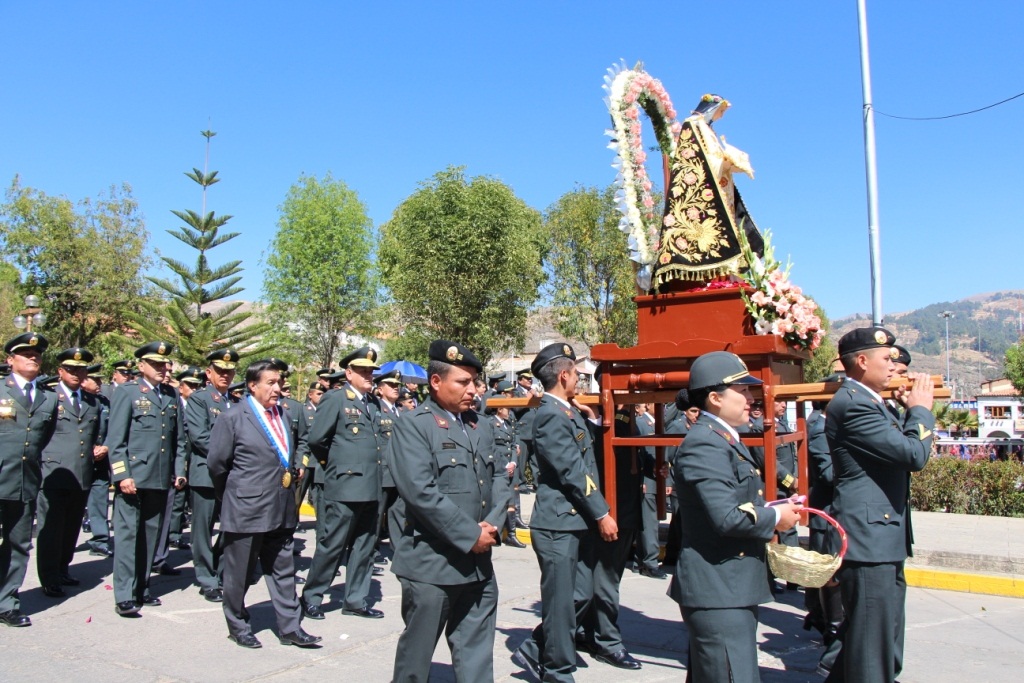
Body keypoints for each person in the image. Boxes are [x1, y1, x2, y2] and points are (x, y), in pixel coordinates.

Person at [669, 351, 802, 682]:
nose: (750, 398)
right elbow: (727, 517)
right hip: (718, 590)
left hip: (729, 588)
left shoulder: (722, 439)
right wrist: (775, 519)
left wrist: (777, 509)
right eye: (741, 391)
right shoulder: (706, 444)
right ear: (714, 398)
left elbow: (735, 503)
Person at [386, 340, 508, 682]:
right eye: (463, 382)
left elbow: (500, 476)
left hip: (479, 564)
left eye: (474, 381)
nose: (473, 389)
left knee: (477, 658)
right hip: (431, 565)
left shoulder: (479, 424)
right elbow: (419, 492)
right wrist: (471, 535)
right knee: (417, 658)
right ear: (436, 382)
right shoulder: (414, 425)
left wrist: (494, 525)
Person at [824, 328, 934, 683]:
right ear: (861, 361)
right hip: (870, 542)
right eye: (886, 359)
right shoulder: (855, 404)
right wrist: (921, 412)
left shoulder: (870, 401)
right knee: (872, 649)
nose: (893, 366)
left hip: (880, 538)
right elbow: (913, 455)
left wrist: (908, 412)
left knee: (874, 640)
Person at [513, 343, 619, 682]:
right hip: (558, 523)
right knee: (561, 602)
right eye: (577, 374)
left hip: (575, 522)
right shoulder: (549, 416)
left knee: (581, 594)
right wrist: (602, 513)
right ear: (563, 375)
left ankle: (535, 646)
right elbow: (573, 472)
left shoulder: (568, 412)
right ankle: (557, 670)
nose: (581, 381)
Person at [207, 359, 321, 649]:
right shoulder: (232, 418)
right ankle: (237, 624)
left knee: (283, 569)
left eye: (279, 382)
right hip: (246, 506)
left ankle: (290, 627)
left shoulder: (281, 415)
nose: (277, 388)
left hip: (280, 505)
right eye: (270, 382)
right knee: (239, 572)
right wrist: (233, 497)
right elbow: (218, 465)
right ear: (252, 385)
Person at [104, 341, 188, 616]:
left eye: (165, 364)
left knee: (150, 536)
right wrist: (122, 475)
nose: (163, 369)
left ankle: (142, 587)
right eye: (156, 364)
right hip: (134, 478)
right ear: (141, 366)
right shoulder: (128, 393)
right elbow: (116, 441)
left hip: (160, 477)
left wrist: (179, 471)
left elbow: (178, 440)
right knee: (128, 536)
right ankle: (124, 594)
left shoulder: (171, 395)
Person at [302, 346, 386, 620]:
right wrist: (335, 466)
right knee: (333, 544)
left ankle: (356, 599)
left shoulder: (373, 403)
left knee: (365, 546)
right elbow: (317, 440)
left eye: (371, 371)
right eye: (363, 370)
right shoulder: (336, 399)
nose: (368, 375)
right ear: (349, 373)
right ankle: (312, 596)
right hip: (345, 485)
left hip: (372, 486)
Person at [35, 347, 106, 598]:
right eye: (71, 369)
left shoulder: (91, 401)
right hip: (54, 471)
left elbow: (95, 432)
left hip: (82, 472)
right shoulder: (48, 397)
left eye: (81, 369)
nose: (77, 373)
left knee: (71, 526)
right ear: (60, 371)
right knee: (52, 527)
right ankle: (49, 575)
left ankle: (63, 569)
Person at [0, 332, 58, 627]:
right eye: (25, 354)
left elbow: (40, 440)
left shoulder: (49, 398)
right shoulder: (1, 389)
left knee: (18, 544)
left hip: (25, 480)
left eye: (36, 355)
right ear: (10, 360)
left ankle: (7, 602)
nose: (33, 358)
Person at [183, 349, 240, 603]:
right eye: (220, 371)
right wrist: (232, 457)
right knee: (202, 530)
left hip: (231, 475)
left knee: (231, 527)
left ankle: (219, 569)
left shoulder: (235, 402)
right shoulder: (200, 399)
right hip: (206, 474)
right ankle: (206, 578)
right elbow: (200, 438)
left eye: (229, 371)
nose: (225, 375)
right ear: (209, 373)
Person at [82, 363, 114, 557]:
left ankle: (100, 539)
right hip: (79, 459)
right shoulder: (75, 400)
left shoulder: (104, 402)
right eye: (96, 379)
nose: (100, 383)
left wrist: (107, 446)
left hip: (101, 458)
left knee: (99, 499)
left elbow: (114, 427)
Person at [633, 403, 666, 578]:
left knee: (648, 521)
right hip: (647, 479)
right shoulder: (642, 423)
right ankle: (650, 563)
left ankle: (640, 560)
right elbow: (639, 453)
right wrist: (640, 479)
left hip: (657, 478)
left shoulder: (658, 423)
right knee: (650, 523)